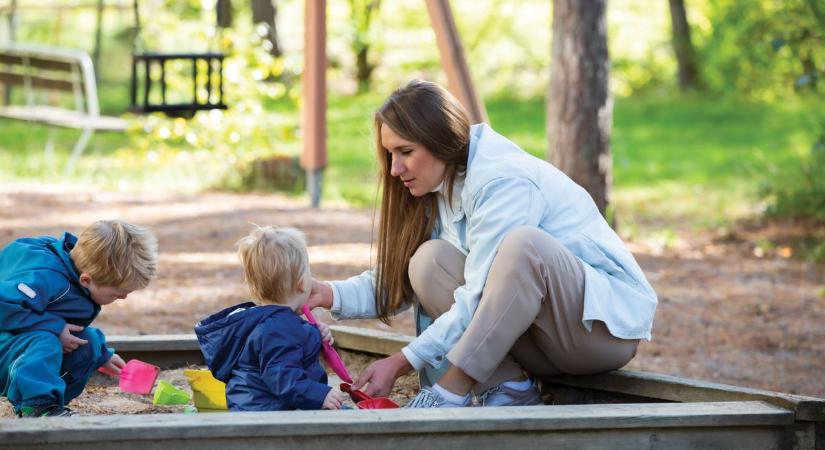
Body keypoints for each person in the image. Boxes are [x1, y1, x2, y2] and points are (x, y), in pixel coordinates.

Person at [305, 80, 658, 408]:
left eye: (405, 152)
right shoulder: (438, 185)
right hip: (535, 338)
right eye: (390, 154)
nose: (395, 169)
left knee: (524, 247)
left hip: (596, 335)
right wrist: (326, 293)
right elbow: (401, 280)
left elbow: (476, 295)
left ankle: (450, 392)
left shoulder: (501, 180)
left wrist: (402, 361)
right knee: (427, 263)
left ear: (439, 140)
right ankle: (507, 389)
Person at [0, 219, 158, 417]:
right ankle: (37, 406)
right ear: (86, 280)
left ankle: (53, 405)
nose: (124, 298)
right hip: (6, 347)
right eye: (117, 294)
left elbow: (69, 325)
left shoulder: (77, 270)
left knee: (89, 342)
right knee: (46, 340)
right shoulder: (44, 277)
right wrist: (54, 327)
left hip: (19, 345)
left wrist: (102, 354)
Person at [195, 226, 348, 411]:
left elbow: (288, 351)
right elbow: (282, 377)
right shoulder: (279, 329)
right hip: (269, 415)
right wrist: (319, 395)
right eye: (308, 272)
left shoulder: (267, 321)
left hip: (254, 407)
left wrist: (315, 334)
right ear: (302, 283)